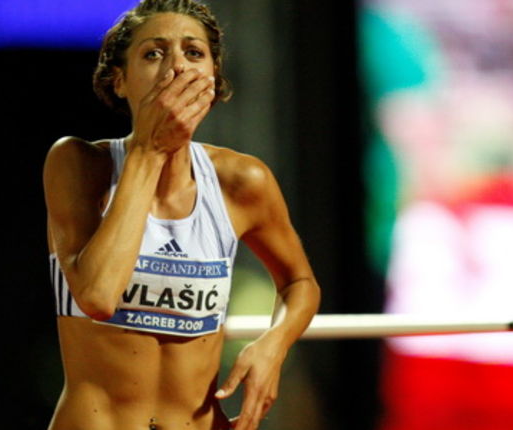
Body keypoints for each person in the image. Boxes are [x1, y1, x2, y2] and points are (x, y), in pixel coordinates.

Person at [42, 1, 321, 429]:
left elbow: (300, 283)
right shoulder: (78, 164)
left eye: (194, 53)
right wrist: (149, 150)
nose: (176, 67)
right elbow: (97, 296)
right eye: (154, 53)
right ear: (119, 81)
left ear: (212, 79)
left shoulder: (242, 181)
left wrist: (272, 346)